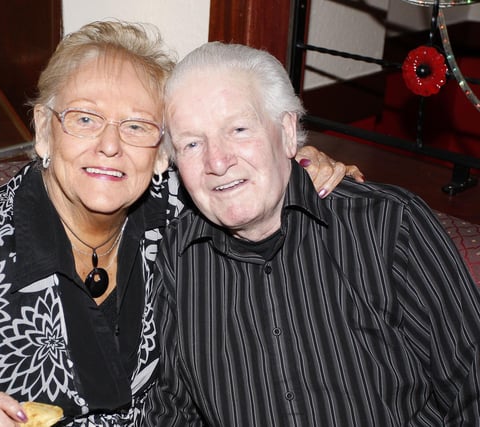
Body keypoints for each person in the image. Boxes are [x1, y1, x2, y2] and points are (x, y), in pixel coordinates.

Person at [0, 22, 360, 427]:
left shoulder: (188, 213)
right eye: (85, 118)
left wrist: (303, 162)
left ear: (162, 153)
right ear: (45, 130)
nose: (110, 146)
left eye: (136, 126)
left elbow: (260, 184)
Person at [143, 41, 480, 426]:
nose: (217, 161)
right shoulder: (177, 258)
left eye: (238, 129)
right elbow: (170, 410)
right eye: (191, 143)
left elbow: (471, 382)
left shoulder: (387, 225)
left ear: (287, 132)